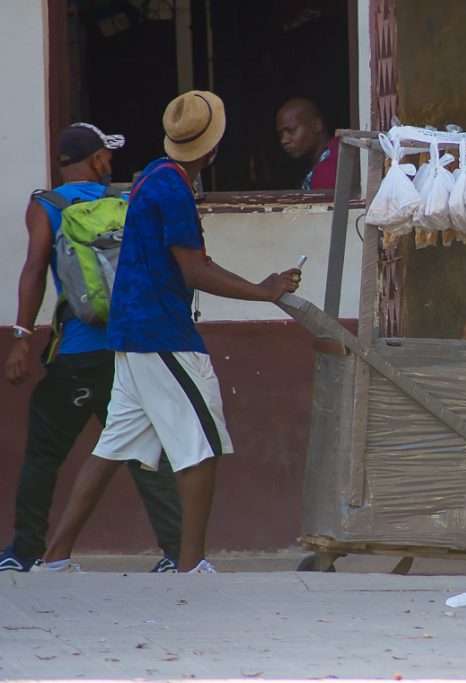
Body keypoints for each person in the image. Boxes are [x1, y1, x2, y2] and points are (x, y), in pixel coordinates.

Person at [34, 91, 302, 574]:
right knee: (202, 443)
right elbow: (193, 270)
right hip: (162, 334)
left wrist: (261, 285)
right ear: (214, 148)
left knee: (112, 446)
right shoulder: (173, 190)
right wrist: (263, 293)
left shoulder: (153, 175)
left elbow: (188, 262)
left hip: (131, 332)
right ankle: (191, 564)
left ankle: (54, 557)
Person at [1, 124, 182, 574]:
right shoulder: (124, 203)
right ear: (97, 159)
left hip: (77, 353)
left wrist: (21, 338)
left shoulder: (48, 205)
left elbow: (34, 270)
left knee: (44, 452)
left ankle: (24, 554)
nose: (110, 163)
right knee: (147, 449)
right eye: (107, 155)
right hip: (129, 350)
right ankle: (177, 554)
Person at [275, 98, 338, 190]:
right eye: (281, 134)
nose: (284, 140)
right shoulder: (318, 164)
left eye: (291, 130)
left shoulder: (333, 168)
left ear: (317, 125)